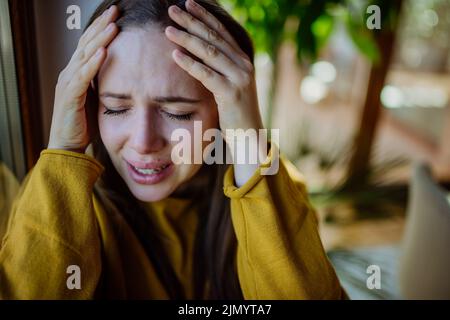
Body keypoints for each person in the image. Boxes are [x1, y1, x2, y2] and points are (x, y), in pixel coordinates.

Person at [0, 0, 346, 299]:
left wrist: (248, 142)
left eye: (177, 113)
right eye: (116, 108)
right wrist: (63, 146)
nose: (143, 142)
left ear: (226, 114)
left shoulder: (273, 191)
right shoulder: (61, 201)